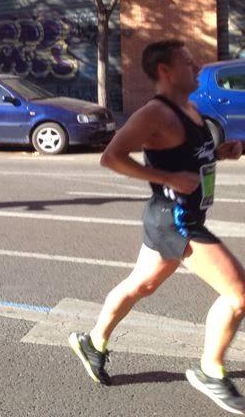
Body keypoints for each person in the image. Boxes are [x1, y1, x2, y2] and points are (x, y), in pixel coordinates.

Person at [69, 39, 245, 414]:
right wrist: (167, 176)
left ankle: (93, 341)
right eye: (186, 61)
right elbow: (111, 157)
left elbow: (188, 154)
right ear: (165, 71)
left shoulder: (190, 108)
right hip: (175, 219)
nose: (196, 65)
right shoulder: (154, 113)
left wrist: (220, 153)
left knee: (140, 285)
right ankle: (209, 370)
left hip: (178, 216)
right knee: (239, 294)